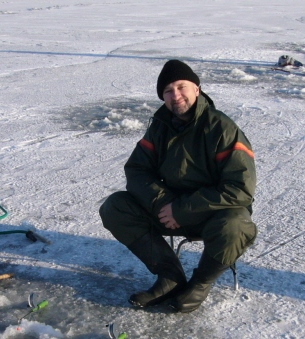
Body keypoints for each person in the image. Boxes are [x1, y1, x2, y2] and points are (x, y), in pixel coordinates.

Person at [99, 60, 257, 313]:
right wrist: (163, 204)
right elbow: (137, 170)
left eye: (182, 87)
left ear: (197, 89)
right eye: (168, 91)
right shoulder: (160, 127)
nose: (176, 96)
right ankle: (170, 278)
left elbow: (240, 189)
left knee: (236, 226)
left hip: (213, 215)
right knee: (115, 207)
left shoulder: (222, 128)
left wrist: (182, 209)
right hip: (168, 210)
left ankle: (200, 283)